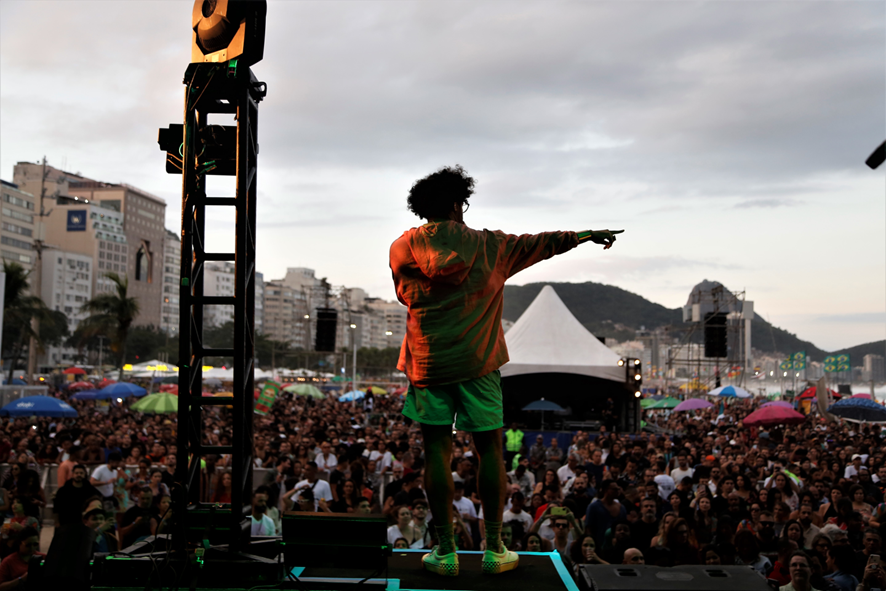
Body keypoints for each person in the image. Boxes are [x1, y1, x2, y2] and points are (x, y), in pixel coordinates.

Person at [390, 165, 620, 577]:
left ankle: (445, 552)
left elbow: (405, 294)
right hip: (479, 362)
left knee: (437, 452)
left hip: (427, 362)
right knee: (489, 451)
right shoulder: (492, 247)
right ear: (459, 204)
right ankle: (495, 548)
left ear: (422, 209)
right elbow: (542, 243)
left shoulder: (402, 248)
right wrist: (584, 235)